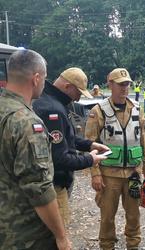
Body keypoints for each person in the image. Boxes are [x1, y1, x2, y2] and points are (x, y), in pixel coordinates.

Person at [0, 49, 71, 249]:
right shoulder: (27, 124)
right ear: (36, 78)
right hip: (25, 235)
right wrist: (61, 236)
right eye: (45, 78)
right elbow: (39, 190)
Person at [85, 68, 145, 250]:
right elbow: (89, 144)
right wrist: (95, 173)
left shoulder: (137, 109)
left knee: (133, 215)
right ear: (110, 84)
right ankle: (107, 246)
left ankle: (133, 245)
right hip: (108, 175)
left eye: (127, 84)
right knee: (107, 216)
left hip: (133, 173)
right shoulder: (98, 112)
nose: (124, 88)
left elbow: (144, 137)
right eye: (120, 84)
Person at [33, 67, 109, 225]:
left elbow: (65, 138)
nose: (78, 98)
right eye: (78, 92)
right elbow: (58, 158)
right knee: (58, 233)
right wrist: (90, 159)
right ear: (67, 87)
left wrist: (89, 144)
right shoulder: (53, 110)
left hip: (46, 183)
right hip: (53, 184)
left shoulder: (52, 100)